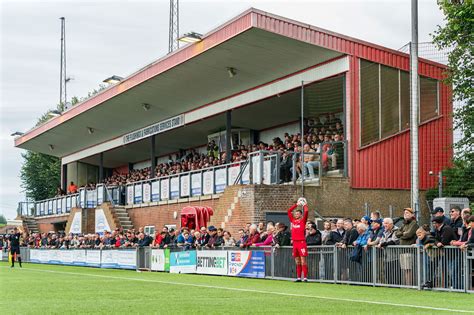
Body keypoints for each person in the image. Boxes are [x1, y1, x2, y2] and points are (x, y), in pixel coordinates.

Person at [287, 197, 309, 282]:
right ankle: (299, 277)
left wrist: (304, 205)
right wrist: (296, 204)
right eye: (295, 214)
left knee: (303, 261)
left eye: (297, 214)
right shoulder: (293, 221)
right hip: (295, 243)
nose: (296, 215)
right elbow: (288, 211)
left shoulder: (303, 221)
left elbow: (306, 211)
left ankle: (305, 277)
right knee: (297, 261)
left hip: (301, 242)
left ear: (300, 215)